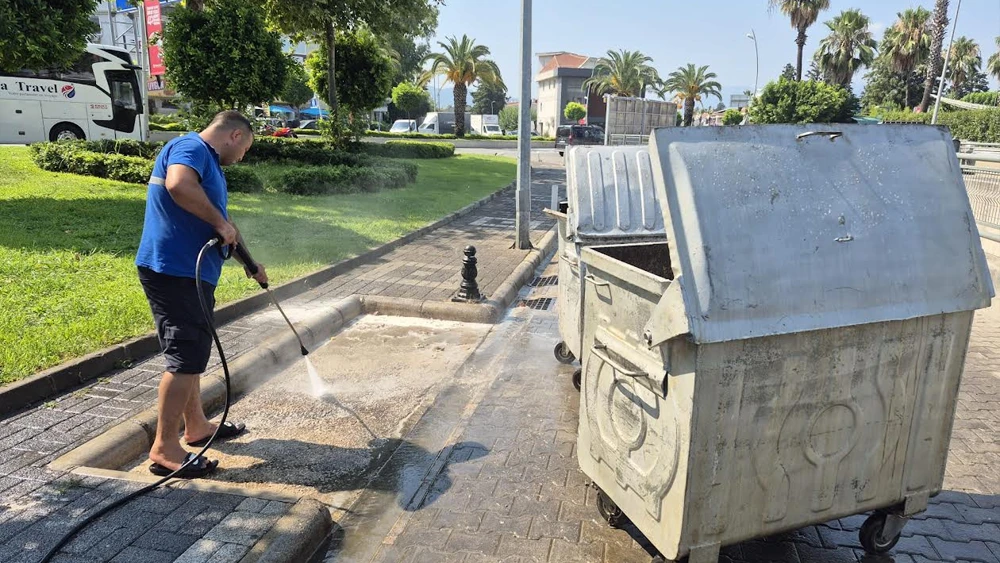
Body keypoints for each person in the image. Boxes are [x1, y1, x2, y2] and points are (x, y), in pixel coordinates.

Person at [135, 110, 267, 478]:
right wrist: (220, 223)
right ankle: (164, 448)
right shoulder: (191, 148)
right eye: (245, 149)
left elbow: (222, 221)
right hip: (174, 271)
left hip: (188, 274)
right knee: (184, 357)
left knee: (192, 354)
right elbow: (178, 185)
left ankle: (196, 426)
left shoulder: (207, 161)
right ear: (235, 135)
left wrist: (250, 262)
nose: (241, 157)